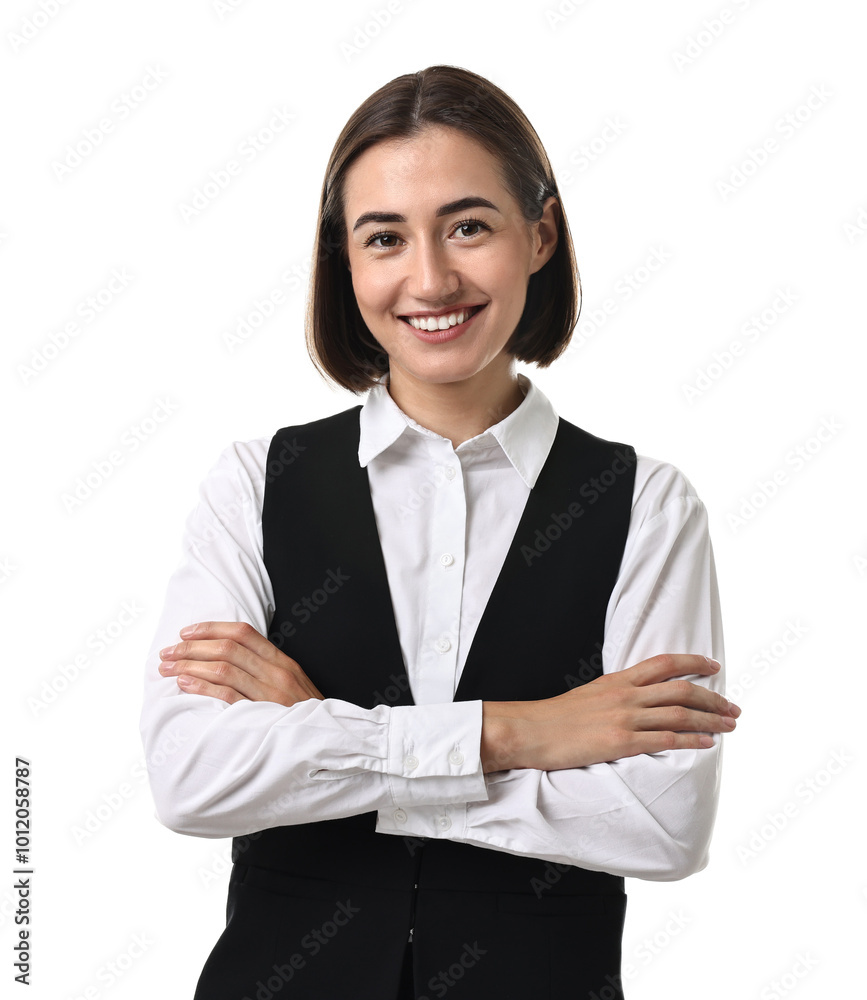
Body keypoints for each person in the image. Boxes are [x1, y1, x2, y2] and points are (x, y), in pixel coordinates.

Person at [140, 64, 739, 1000]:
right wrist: (522, 734)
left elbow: (658, 824)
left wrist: (317, 739)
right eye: (384, 238)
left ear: (538, 235)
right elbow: (192, 782)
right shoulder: (253, 485)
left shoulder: (647, 506)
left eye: (468, 226)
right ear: (346, 260)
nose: (430, 278)